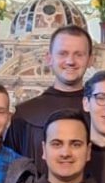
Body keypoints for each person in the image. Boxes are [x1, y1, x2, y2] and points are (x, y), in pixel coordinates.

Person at [5, 24, 93, 161]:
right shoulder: (24, 115)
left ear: (90, 60)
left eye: (79, 54)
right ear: (48, 58)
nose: (70, 61)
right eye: (63, 53)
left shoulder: (102, 114)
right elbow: (10, 167)